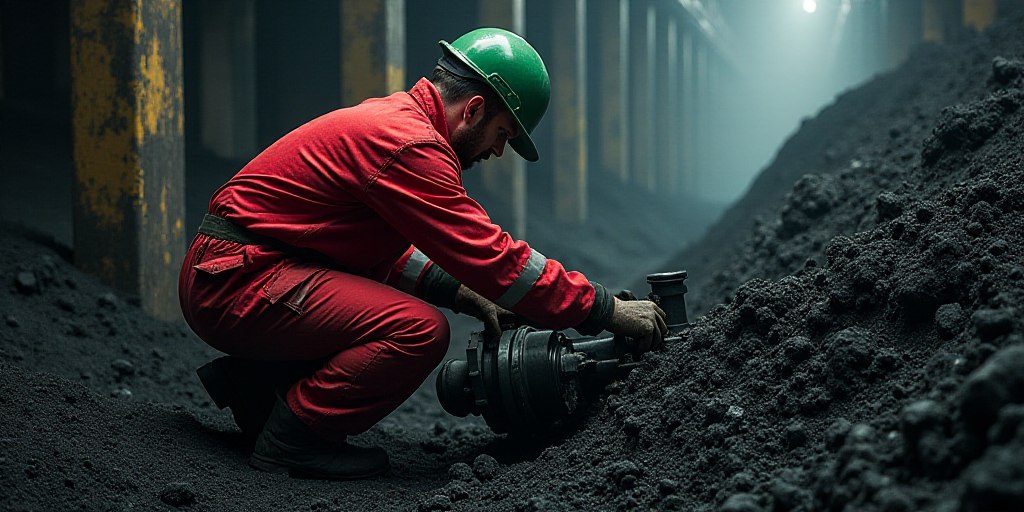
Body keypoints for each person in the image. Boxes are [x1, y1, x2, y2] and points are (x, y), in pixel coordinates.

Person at [178, 28, 667, 481]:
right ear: (473, 109)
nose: (498, 151)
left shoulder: (397, 123)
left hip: (241, 269)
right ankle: (292, 439)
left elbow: (375, 245)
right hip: (236, 280)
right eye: (502, 135)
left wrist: (457, 290)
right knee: (417, 330)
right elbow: (497, 259)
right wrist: (606, 309)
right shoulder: (409, 145)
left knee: (396, 307)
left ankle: (259, 395)